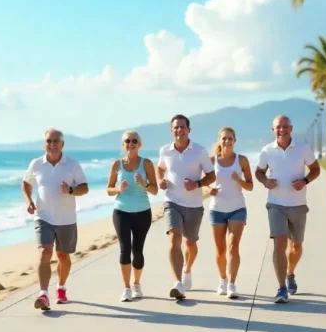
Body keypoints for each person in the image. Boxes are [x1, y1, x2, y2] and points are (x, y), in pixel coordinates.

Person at [255, 115, 320, 303]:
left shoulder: (303, 149)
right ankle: (281, 288)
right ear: (273, 130)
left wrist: (305, 180)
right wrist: (265, 181)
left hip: (298, 205)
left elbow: (315, 169)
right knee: (279, 244)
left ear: (291, 129)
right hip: (275, 204)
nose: (281, 130)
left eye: (285, 127)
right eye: (278, 127)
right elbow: (259, 172)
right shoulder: (267, 151)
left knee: (296, 246)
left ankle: (290, 273)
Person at [22, 129, 89, 311]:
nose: (51, 144)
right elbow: (26, 183)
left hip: (66, 219)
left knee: (63, 256)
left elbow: (84, 187)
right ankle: (43, 294)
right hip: (43, 216)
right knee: (45, 252)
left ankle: (61, 287)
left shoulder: (72, 165)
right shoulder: (36, 164)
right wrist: (29, 201)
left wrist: (70, 190)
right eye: (48, 141)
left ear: (62, 144)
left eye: (55, 141)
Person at [156, 114, 216, 300]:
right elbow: (160, 168)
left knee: (190, 243)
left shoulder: (199, 151)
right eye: (175, 127)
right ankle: (178, 283)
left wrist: (197, 184)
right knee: (174, 237)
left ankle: (187, 269)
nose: (179, 130)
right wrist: (161, 181)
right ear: (171, 130)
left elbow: (211, 176)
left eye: (182, 127)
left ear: (189, 130)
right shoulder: (165, 150)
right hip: (172, 201)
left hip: (194, 205)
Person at [106, 130, 158, 302]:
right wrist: (118, 189)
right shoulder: (117, 164)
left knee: (138, 250)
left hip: (142, 212)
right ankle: (126, 287)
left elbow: (155, 190)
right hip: (121, 211)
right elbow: (109, 189)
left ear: (139, 144)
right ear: (123, 145)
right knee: (124, 249)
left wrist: (144, 184)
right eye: (127, 141)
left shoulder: (147, 164)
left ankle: (137, 284)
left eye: (134, 140)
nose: (131, 143)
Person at [205, 127, 253, 299]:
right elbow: (204, 182)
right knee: (220, 250)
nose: (227, 141)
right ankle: (222, 280)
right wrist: (209, 189)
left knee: (233, 246)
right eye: (224, 138)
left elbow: (250, 186)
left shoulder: (242, 161)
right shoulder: (211, 161)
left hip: (237, 209)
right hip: (217, 209)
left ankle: (232, 284)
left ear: (235, 140)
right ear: (220, 140)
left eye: (230, 138)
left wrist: (238, 179)